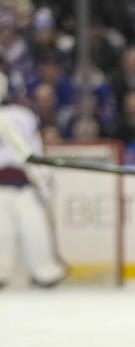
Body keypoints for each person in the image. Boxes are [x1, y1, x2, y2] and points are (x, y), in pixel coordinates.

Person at [0, 66, 67, 288]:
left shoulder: (22, 114)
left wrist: (43, 178)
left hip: (24, 183)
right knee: (3, 231)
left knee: (35, 228)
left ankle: (44, 271)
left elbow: (33, 151)